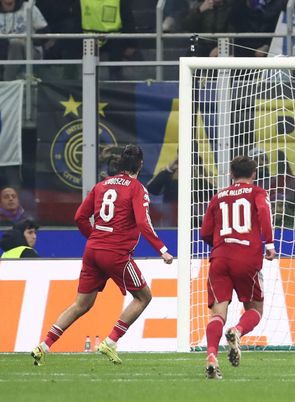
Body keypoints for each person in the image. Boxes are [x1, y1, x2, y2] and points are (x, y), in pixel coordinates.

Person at [31, 145, 174, 366]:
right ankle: (111, 341)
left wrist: (95, 238)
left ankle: (44, 345)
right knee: (144, 297)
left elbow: (80, 217)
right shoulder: (137, 189)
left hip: (93, 250)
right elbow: (143, 222)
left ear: (119, 164)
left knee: (81, 304)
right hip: (115, 253)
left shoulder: (101, 185)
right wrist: (162, 250)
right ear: (141, 165)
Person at [200, 155, 276, 379]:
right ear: (254, 174)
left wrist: (222, 245)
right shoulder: (257, 193)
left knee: (217, 314)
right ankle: (237, 331)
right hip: (247, 258)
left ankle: (212, 356)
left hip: (220, 258)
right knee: (255, 309)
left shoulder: (218, 196)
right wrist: (269, 244)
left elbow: (204, 232)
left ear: (231, 174)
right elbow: (264, 213)